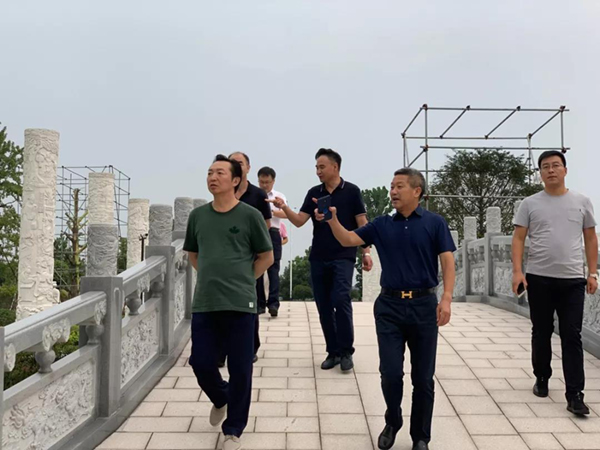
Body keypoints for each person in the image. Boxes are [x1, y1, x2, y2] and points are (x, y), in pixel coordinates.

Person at [320, 167, 455, 450]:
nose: (393, 191)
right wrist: (332, 221)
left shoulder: (434, 223)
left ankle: (421, 437)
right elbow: (348, 239)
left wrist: (446, 298)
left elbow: (447, 260)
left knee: (423, 378)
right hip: (389, 307)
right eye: (392, 186)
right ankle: (393, 420)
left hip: (424, 306)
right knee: (391, 373)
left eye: (399, 186)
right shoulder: (382, 224)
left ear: (417, 191)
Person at [184, 155, 273, 450]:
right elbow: (193, 254)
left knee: (241, 368)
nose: (213, 177)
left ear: (236, 180)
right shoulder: (198, 216)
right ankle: (221, 396)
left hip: (240, 304)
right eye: (210, 172)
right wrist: (213, 277)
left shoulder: (250, 216)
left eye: (220, 173)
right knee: (200, 362)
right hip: (206, 302)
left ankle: (233, 429)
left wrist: (244, 280)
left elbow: (266, 256)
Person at [269, 148, 372, 372]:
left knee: (341, 299)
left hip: (344, 255)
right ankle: (332, 352)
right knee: (324, 305)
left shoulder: (352, 191)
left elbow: (362, 223)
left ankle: (346, 351)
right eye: (316, 167)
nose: (318, 171)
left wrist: (366, 251)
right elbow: (299, 221)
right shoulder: (314, 193)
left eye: (322, 167)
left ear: (335, 167)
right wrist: (284, 207)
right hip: (318, 256)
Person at [512, 150, 598, 416]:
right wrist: (518, 272)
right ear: (540, 173)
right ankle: (542, 376)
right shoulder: (530, 203)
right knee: (541, 330)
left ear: (565, 170)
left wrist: (592, 272)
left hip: (572, 279)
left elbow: (590, 238)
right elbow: (518, 238)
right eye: (545, 167)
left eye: (556, 165)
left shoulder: (582, 201)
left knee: (572, 334)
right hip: (539, 277)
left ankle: (575, 394)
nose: (551, 170)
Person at [229, 152, 272, 363]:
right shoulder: (224, 192)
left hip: (251, 257)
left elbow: (267, 225)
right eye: (232, 163)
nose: (236, 166)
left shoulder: (258, 195)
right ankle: (224, 348)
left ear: (248, 167)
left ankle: (250, 346)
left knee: (249, 303)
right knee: (225, 303)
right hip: (226, 258)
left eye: (240, 163)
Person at [258, 166, 287, 317]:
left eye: (267, 182)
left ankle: (273, 303)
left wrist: (271, 210)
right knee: (257, 268)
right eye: (261, 182)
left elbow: (286, 214)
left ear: (273, 181)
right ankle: (259, 303)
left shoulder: (278, 196)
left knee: (273, 268)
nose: (264, 185)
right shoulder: (254, 195)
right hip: (256, 233)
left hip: (273, 233)